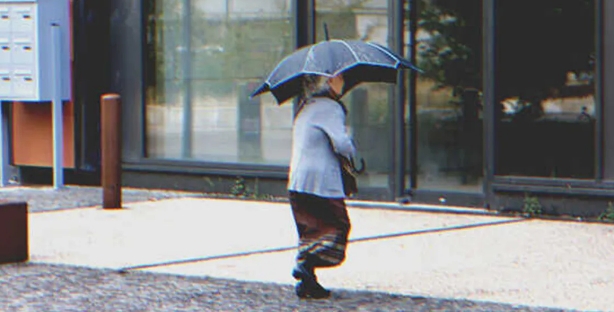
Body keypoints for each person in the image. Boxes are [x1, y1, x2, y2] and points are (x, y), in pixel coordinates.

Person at [287, 73, 356, 299]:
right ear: (328, 82)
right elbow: (341, 143)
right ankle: (306, 265)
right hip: (320, 181)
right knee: (338, 226)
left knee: (311, 229)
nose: (343, 82)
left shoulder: (307, 106)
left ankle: (308, 282)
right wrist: (352, 146)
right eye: (339, 78)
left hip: (298, 180)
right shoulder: (329, 107)